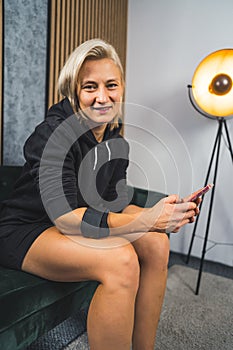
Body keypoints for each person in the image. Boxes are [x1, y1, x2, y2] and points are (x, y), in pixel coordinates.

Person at [0, 38, 199, 350]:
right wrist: (144, 218)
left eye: (111, 85)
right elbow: (66, 219)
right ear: (73, 91)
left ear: (121, 88)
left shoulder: (115, 142)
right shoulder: (54, 133)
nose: (102, 97)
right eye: (90, 87)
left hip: (72, 224)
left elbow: (112, 205)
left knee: (158, 243)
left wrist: (163, 215)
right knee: (120, 261)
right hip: (29, 230)